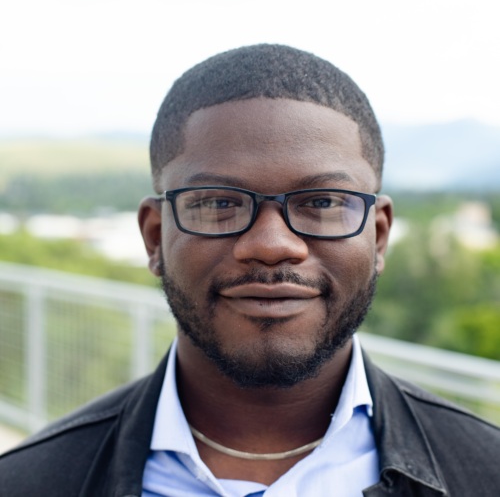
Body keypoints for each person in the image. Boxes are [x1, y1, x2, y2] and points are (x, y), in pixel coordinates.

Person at [0, 44, 499, 496]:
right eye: (218, 202)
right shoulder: (29, 482)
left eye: (323, 202)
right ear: (155, 236)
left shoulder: (484, 473)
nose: (271, 245)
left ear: (379, 236)